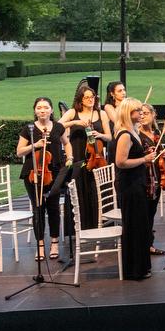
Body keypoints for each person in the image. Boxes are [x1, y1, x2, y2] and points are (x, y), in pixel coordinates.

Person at [16, 97, 72, 263]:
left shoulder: (58, 127)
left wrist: (70, 157)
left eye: (45, 107)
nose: (42, 110)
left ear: (51, 110)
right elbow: (19, 152)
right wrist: (36, 145)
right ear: (35, 110)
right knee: (38, 209)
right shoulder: (29, 129)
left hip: (54, 173)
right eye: (39, 108)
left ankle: (54, 243)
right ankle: (40, 245)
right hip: (32, 175)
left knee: (53, 208)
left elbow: (67, 143)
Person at [110, 98, 156, 280]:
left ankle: (140, 267)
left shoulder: (132, 132)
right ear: (129, 113)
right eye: (138, 111)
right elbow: (121, 162)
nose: (141, 114)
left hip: (136, 183)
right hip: (130, 186)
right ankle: (134, 269)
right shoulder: (125, 135)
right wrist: (145, 159)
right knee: (134, 226)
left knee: (140, 225)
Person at [60, 84, 111, 230]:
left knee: (96, 191)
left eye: (92, 97)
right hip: (78, 158)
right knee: (79, 190)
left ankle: (98, 224)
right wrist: (75, 122)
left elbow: (109, 136)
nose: (90, 100)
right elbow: (57, 127)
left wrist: (100, 135)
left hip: (97, 158)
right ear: (81, 100)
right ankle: (80, 227)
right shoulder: (72, 112)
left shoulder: (101, 114)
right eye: (87, 97)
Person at [138, 104, 165, 257]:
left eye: (145, 113)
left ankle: (149, 244)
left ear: (153, 115)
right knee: (143, 215)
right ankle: (143, 246)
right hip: (143, 179)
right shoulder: (137, 134)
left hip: (155, 178)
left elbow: (161, 157)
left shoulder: (156, 133)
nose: (142, 116)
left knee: (151, 213)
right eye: (140, 113)